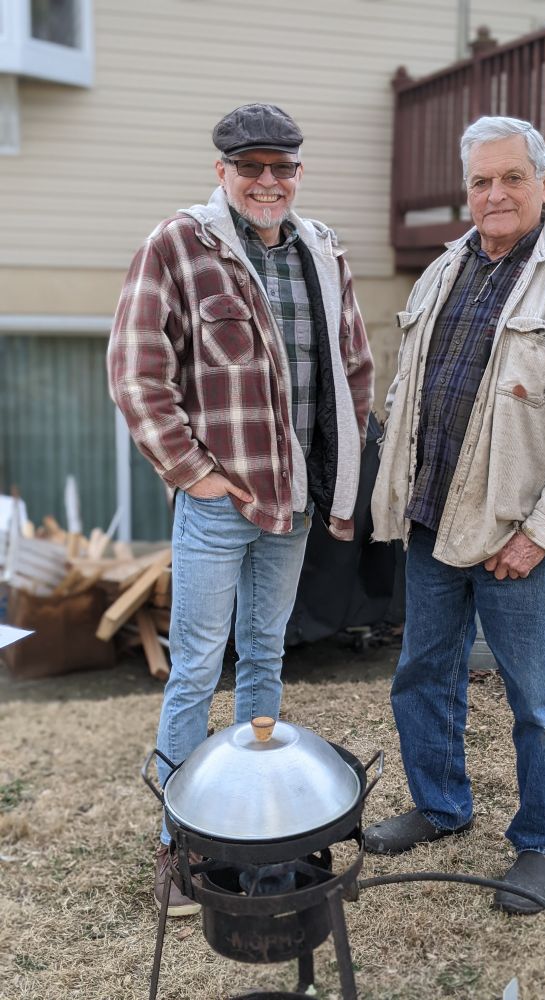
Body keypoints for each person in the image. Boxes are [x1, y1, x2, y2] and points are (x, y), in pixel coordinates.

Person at [364, 116, 545, 914]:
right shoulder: (443, 269)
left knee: (536, 702)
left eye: (512, 177)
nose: (495, 194)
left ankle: (544, 843)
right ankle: (440, 807)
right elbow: (405, 387)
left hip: (516, 534)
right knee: (422, 675)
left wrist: (543, 534)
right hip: (430, 521)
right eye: (481, 181)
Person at [107, 103, 373, 916]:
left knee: (264, 658)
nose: (267, 181)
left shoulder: (323, 250)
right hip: (220, 502)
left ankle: (259, 829)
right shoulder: (179, 246)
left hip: (294, 503)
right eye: (250, 166)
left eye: (281, 167)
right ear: (221, 171)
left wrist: (340, 469)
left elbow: (354, 367)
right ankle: (180, 848)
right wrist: (193, 473)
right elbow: (136, 371)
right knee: (195, 669)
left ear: (297, 173)